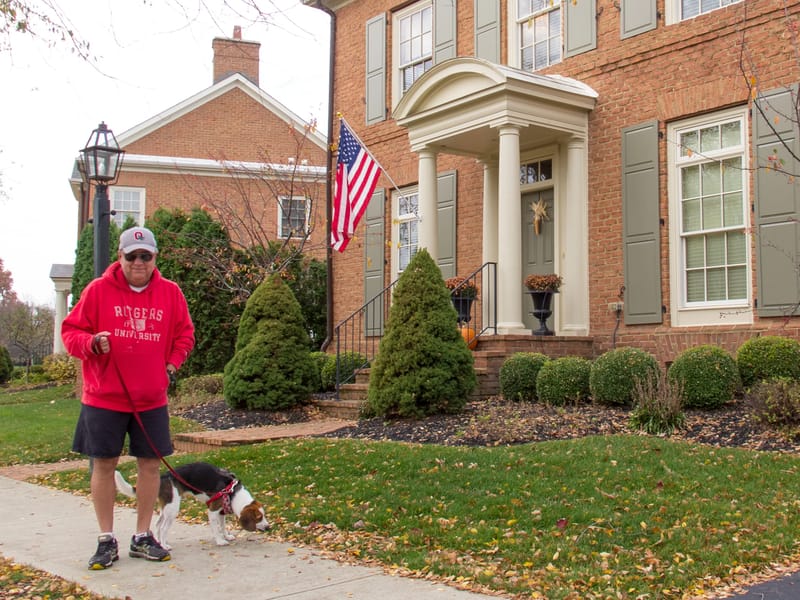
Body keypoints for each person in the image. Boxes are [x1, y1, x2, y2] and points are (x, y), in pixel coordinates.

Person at [62, 226, 195, 570]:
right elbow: (71, 332)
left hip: (150, 399)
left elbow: (185, 334)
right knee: (104, 464)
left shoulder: (170, 293)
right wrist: (92, 343)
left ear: (155, 258)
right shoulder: (98, 290)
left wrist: (171, 365)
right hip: (103, 398)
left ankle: (142, 536)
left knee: (149, 465)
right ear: (120, 257)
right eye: (132, 256)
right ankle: (106, 539)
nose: (139, 262)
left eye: (145, 256)